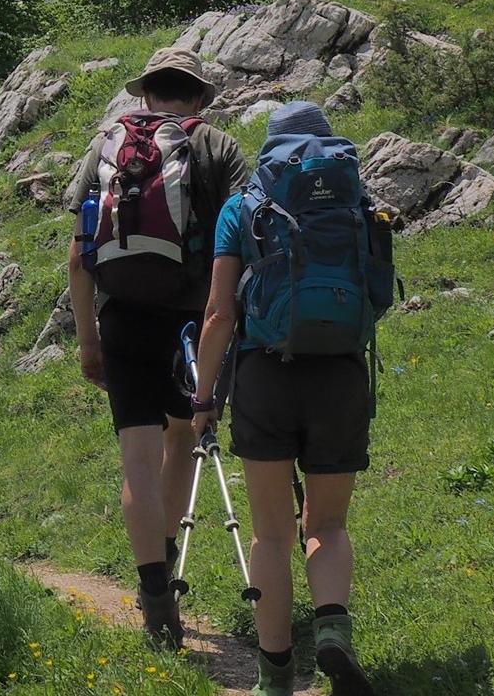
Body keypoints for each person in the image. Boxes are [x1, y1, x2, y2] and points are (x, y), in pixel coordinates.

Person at [192, 101, 377, 696]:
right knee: (326, 523)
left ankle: (275, 677)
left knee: (270, 535)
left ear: (271, 147)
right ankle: (331, 632)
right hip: (342, 375)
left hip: (265, 375)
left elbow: (220, 312)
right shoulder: (356, 199)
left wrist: (202, 398)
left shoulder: (242, 205)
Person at [66, 46, 248, 649]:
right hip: (194, 321)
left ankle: (153, 595)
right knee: (184, 437)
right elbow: (240, 240)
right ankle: (166, 561)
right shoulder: (217, 147)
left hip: (123, 320)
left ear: (146, 94)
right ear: (198, 96)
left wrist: (89, 341)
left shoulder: (105, 146)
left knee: (136, 460)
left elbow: (79, 255)